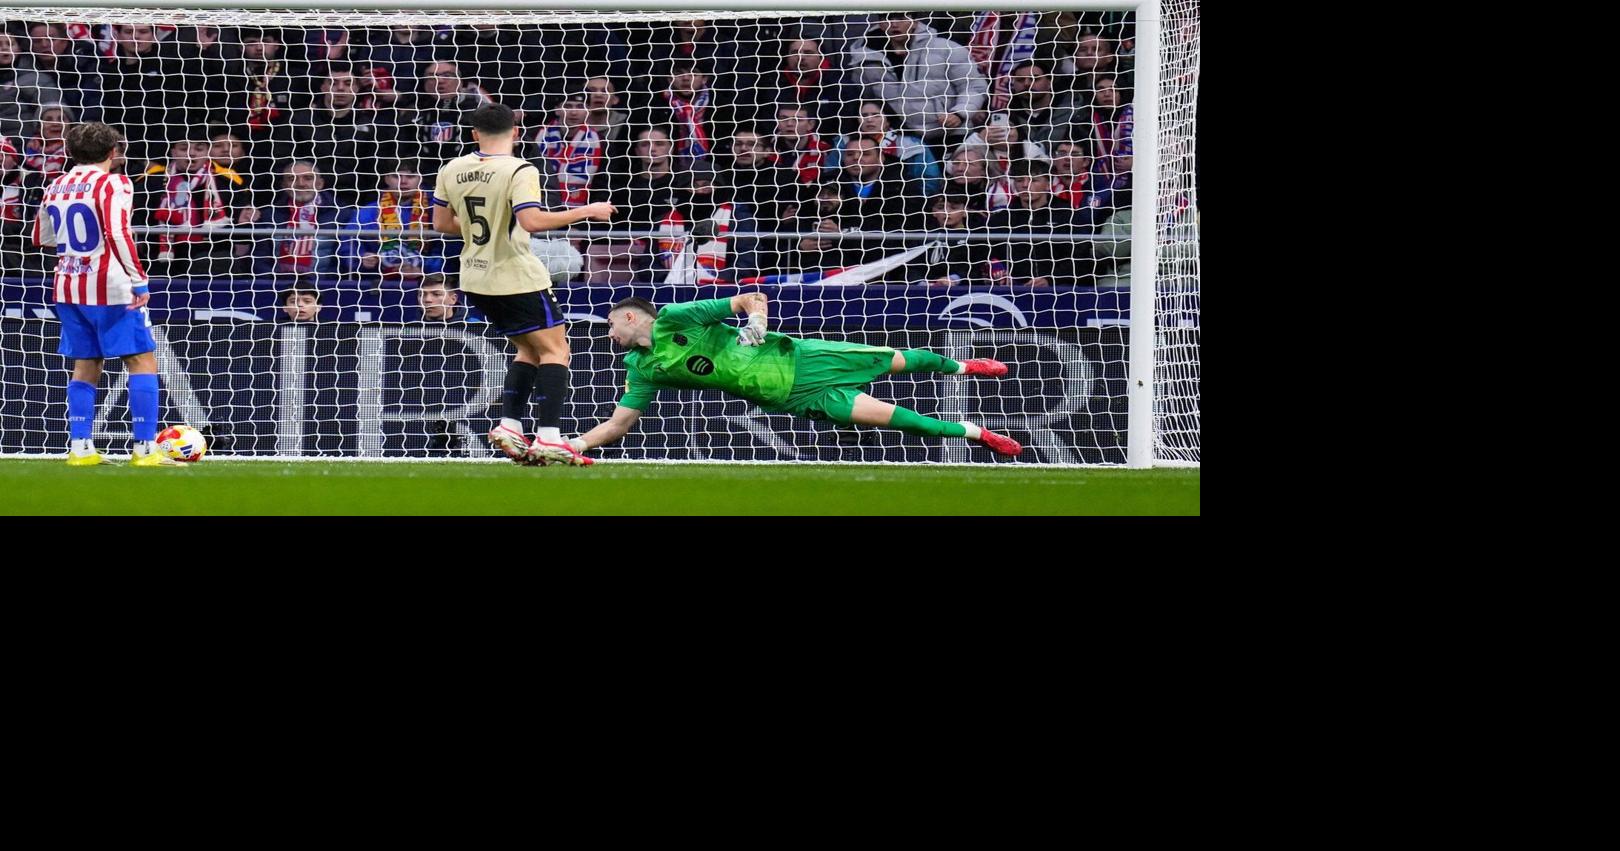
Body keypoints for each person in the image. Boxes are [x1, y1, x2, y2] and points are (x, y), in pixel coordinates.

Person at [558, 294, 1022, 462]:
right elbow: (619, 424)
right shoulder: (641, 367)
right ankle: (978, 433)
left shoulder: (677, 317)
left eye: (611, 324)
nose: (608, 333)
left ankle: (965, 366)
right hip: (792, 398)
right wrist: (573, 445)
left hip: (802, 359)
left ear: (632, 318)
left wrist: (756, 324)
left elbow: (749, 298)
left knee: (899, 359)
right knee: (904, 421)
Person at [431, 102, 616, 465]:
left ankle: (510, 425)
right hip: (514, 274)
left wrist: (485, 230)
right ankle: (549, 438)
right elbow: (531, 221)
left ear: (474, 134)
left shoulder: (452, 168)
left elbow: (441, 223)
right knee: (557, 351)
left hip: (475, 276)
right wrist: (586, 211)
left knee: (528, 350)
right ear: (515, 132)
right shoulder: (520, 168)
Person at [35, 122, 178, 466]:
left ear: (71, 152)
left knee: (86, 363)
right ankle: (145, 449)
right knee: (141, 360)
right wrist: (138, 280)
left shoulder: (56, 185)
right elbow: (117, 232)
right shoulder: (116, 183)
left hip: (68, 286)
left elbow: (42, 237)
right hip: (111, 287)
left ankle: (80, 448)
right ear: (113, 152)